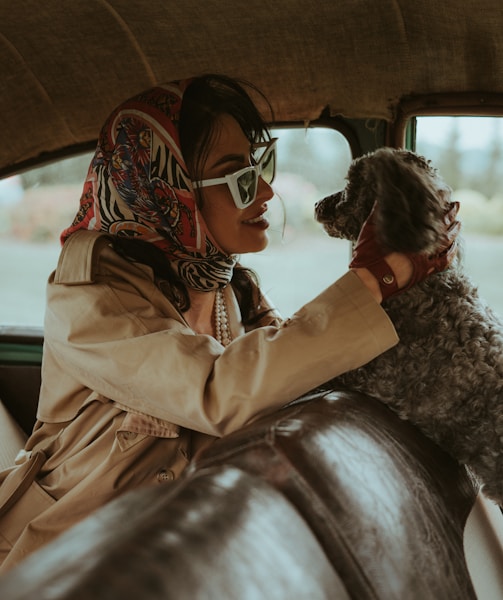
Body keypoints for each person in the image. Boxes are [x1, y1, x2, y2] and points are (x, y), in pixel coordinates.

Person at [0, 74, 459, 570]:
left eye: (262, 165)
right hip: (66, 561)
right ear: (166, 186)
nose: (264, 190)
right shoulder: (88, 295)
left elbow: (287, 371)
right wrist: (375, 279)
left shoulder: (226, 283)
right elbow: (215, 391)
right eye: (237, 176)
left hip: (173, 546)